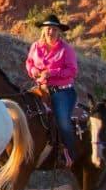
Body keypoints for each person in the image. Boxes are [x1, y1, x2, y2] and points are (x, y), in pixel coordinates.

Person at [23, 15, 79, 150]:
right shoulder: (35, 46)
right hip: (41, 88)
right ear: (43, 30)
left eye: (54, 29)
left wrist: (52, 72)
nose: (50, 32)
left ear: (59, 31)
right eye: (48, 28)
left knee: (63, 122)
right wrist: (33, 70)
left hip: (62, 91)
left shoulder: (66, 49)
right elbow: (29, 62)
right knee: (25, 112)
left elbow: (72, 70)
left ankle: (70, 153)